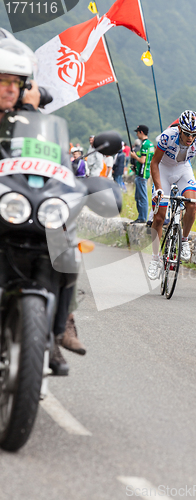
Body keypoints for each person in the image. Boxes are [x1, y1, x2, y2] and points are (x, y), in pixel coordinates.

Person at [0, 33, 83, 375]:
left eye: (13, 83)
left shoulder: (29, 113)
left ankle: (61, 325)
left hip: (19, 196)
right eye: (0, 82)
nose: (7, 89)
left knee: (66, 244)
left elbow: (50, 154)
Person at [147, 110, 196, 279]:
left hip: (183, 169)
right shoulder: (167, 136)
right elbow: (154, 162)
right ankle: (155, 259)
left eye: (194, 134)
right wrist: (159, 188)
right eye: (187, 134)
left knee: (192, 205)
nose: (190, 138)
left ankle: (184, 240)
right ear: (180, 130)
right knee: (159, 218)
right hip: (163, 169)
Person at [130, 125, 154, 224]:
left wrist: (134, 156)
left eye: (137, 132)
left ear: (141, 132)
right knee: (139, 196)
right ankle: (141, 216)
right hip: (146, 172)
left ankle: (142, 217)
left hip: (142, 174)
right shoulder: (150, 144)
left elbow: (143, 160)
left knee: (141, 197)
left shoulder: (144, 144)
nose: (136, 134)